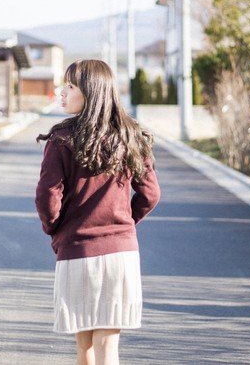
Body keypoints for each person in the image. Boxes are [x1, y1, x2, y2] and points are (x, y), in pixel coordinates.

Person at [35, 59, 161, 365]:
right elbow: (150, 193)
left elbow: (46, 196)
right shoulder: (131, 136)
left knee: (85, 348)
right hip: (121, 255)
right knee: (109, 347)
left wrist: (57, 230)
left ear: (90, 92)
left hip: (78, 252)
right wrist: (124, 224)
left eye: (70, 86)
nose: (62, 92)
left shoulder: (62, 139)